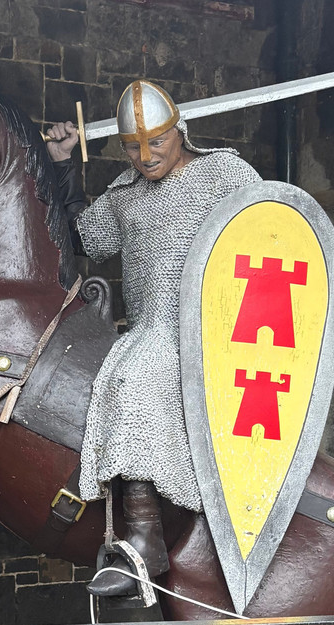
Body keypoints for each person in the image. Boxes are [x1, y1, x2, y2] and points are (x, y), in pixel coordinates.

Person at [46, 80, 261, 597]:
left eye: (156, 143)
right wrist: (59, 164)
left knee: (136, 371)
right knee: (110, 369)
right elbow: (80, 238)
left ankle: (143, 541)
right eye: (132, 146)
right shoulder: (124, 195)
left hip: (213, 327)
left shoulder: (225, 173)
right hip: (150, 326)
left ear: (178, 131)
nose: (145, 156)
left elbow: (272, 232)